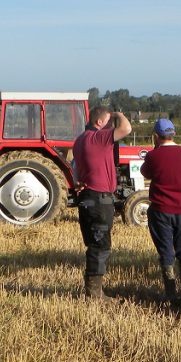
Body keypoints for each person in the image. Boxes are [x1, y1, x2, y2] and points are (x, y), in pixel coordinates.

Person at [72, 107, 132, 298]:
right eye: (107, 122)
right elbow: (126, 129)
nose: (109, 127)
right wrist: (118, 115)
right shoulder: (98, 138)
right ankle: (94, 293)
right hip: (99, 199)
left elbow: (75, 168)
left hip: (86, 198)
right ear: (99, 122)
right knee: (101, 245)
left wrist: (78, 182)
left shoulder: (79, 140)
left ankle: (94, 290)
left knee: (93, 243)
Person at [140, 118, 181, 308]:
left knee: (166, 252)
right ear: (173, 134)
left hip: (160, 211)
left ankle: (171, 295)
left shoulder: (153, 156)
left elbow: (145, 173)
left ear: (156, 136)